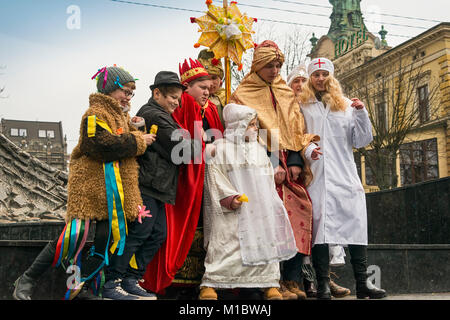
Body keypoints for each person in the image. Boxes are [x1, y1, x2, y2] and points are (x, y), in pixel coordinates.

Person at [13, 66, 154, 300]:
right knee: (72, 240)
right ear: (109, 90)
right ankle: (27, 279)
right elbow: (101, 146)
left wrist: (137, 128)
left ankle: (81, 288)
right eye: (125, 91)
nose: (128, 97)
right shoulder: (94, 114)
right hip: (90, 189)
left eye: (131, 93)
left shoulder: (122, 116)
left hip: (112, 193)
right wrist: (139, 139)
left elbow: (126, 142)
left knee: (103, 242)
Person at [230, 40, 321, 300]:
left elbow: (295, 127)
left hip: (288, 160)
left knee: (299, 214)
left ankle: (292, 278)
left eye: (278, 65)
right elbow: (247, 131)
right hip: (260, 163)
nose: (274, 70)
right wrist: (272, 163)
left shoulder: (285, 91)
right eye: (269, 65)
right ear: (258, 65)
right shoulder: (243, 94)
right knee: (268, 221)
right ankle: (272, 279)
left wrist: (293, 161)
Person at [102, 71, 197, 299]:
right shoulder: (153, 114)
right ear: (157, 93)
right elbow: (186, 149)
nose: (176, 102)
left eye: (178, 98)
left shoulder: (163, 116)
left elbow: (180, 151)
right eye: (172, 96)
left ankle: (131, 278)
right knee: (139, 231)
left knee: (157, 233)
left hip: (159, 187)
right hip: (146, 184)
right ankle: (110, 282)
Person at [299, 57, 387, 300]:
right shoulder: (302, 105)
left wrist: (361, 113)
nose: (320, 79)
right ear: (310, 78)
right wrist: (307, 151)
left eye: (324, 74)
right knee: (320, 230)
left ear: (331, 77)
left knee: (356, 225)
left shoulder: (346, 105)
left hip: (346, 174)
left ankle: (362, 284)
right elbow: (297, 136)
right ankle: (324, 284)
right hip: (317, 175)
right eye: (315, 75)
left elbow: (361, 141)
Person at [140, 59, 224, 296]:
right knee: (164, 232)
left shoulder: (203, 109)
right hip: (177, 180)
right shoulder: (184, 105)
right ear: (186, 88)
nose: (207, 92)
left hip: (193, 177)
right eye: (202, 87)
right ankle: (158, 282)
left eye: (209, 87)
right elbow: (181, 146)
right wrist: (203, 149)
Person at [199, 103, 298, 300]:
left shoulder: (259, 149)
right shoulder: (221, 148)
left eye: (255, 124)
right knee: (226, 242)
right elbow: (214, 176)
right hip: (232, 208)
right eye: (250, 125)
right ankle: (211, 283)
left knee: (263, 242)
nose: (254, 129)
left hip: (257, 208)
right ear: (237, 125)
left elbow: (266, 176)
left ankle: (268, 283)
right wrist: (229, 197)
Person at [287, 64, 351, 299]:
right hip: (297, 169)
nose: (301, 85)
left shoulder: (315, 105)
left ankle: (323, 278)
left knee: (320, 225)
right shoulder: (294, 106)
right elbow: (292, 136)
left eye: (305, 80)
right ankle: (301, 279)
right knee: (303, 226)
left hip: (316, 170)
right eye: (297, 81)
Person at [198, 49, 226, 127]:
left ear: (220, 79)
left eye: (214, 78)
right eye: (206, 78)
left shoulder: (229, 97)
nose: (210, 83)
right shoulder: (193, 98)